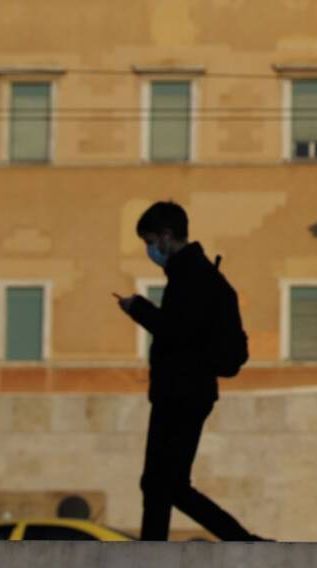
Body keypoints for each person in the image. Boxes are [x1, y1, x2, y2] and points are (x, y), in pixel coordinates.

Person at [113, 200, 263, 542]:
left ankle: (237, 542)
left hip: (180, 392)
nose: (150, 250)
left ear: (167, 236)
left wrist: (139, 309)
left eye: (150, 241)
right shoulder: (200, 274)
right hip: (190, 392)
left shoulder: (189, 277)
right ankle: (241, 540)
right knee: (169, 485)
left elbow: (176, 332)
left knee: (160, 483)